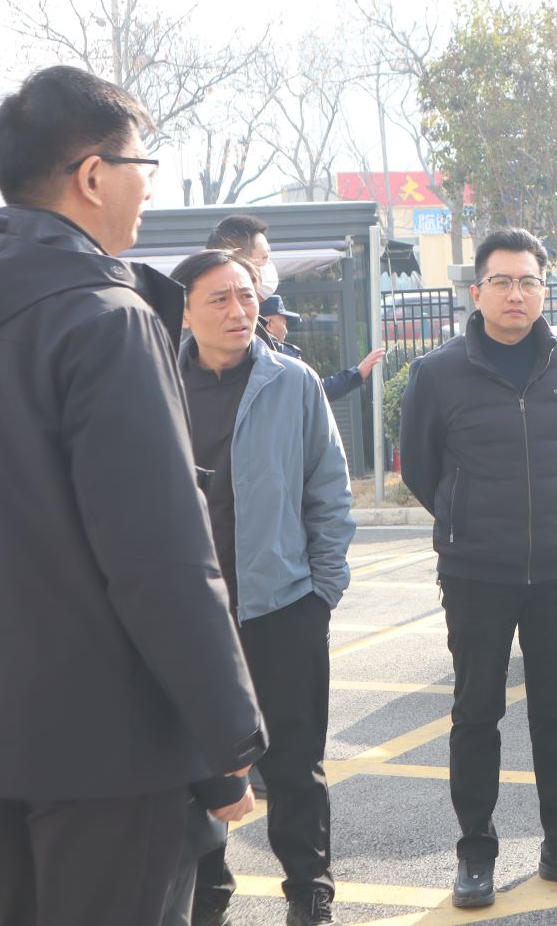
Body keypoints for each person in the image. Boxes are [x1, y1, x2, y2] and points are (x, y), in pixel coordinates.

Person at [0, 64, 265, 924]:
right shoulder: (105, 316)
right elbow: (160, 556)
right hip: (109, 747)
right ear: (94, 176)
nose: (149, 188)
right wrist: (226, 736)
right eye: (143, 165)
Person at [399, 227, 557, 909]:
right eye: (502, 281)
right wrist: (467, 518)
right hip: (475, 572)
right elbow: (421, 468)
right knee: (475, 711)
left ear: (544, 291)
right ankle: (475, 851)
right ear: (477, 291)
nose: (516, 294)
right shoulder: (438, 372)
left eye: (528, 282)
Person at [174, 249, 356, 926]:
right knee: (193, 758)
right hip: (188, 614)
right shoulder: (159, 383)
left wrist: (321, 593)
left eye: (246, 295)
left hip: (281, 606)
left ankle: (309, 888)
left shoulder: (293, 381)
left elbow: (328, 490)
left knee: (295, 761)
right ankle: (207, 889)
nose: (238, 310)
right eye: (219, 298)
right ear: (185, 311)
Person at [207, 213, 384, 401]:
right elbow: (310, 393)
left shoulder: (263, 348)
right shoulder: (214, 358)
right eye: (265, 257)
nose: (270, 266)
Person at [259, 293, 386, 402]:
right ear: (269, 323)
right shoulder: (281, 357)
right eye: (283, 323)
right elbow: (316, 390)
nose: (286, 331)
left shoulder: (251, 355)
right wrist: (358, 373)